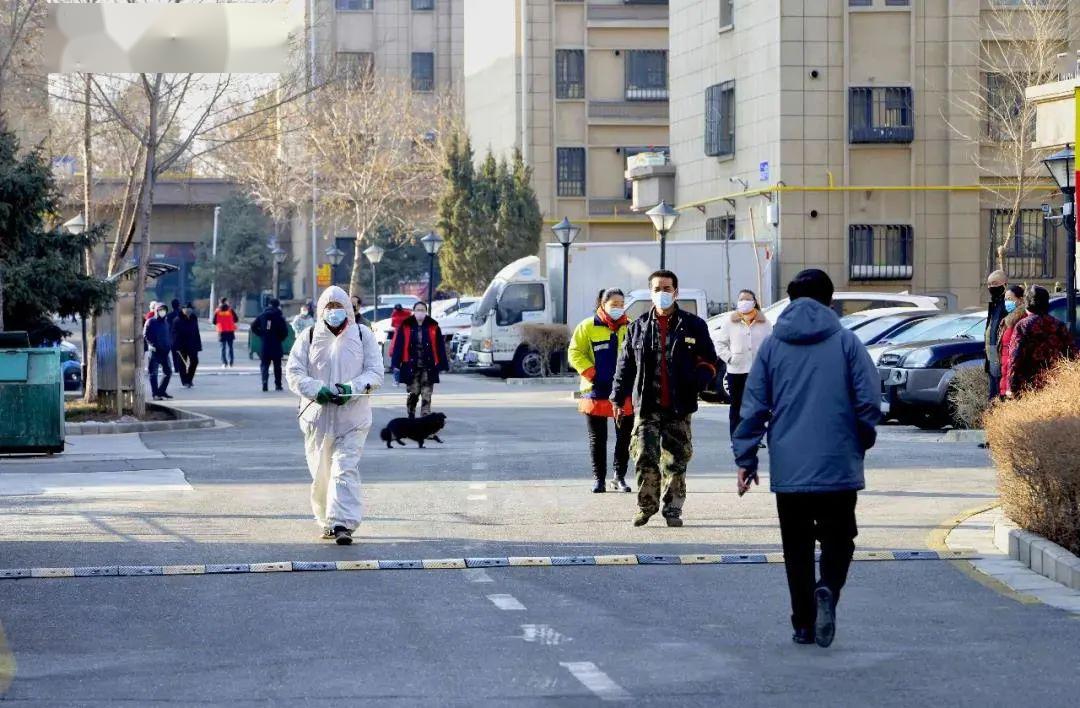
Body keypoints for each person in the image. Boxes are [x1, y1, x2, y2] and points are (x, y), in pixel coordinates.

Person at [732, 269, 881, 648]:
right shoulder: (848, 343)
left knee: (795, 547)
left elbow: (754, 407)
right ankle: (828, 586)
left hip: (790, 464)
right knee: (840, 539)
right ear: (829, 301)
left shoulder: (772, 346)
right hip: (838, 463)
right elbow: (868, 400)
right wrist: (860, 440)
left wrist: (746, 459)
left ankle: (803, 624)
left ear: (791, 299)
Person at [611, 270, 718, 527]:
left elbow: (709, 360)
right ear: (651, 292)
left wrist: (698, 382)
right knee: (644, 455)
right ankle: (646, 506)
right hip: (647, 405)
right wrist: (618, 398)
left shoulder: (693, 325)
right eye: (657, 288)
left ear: (676, 292)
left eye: (667, 289)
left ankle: (673, 509)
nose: (662, 293)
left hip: (679, 405)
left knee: (676, 458)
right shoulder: (637, 328)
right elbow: (625, 366)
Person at [286, 285, 383, 545]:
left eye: (338, 307)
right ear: (321, 310)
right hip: (316, 419)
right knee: (321, 473)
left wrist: (352, 388)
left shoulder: (363, 336)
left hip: (353, 418)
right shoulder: (307, 336)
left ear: (348, 309)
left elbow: (375, 372)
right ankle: (327, 520)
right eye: (329, 308)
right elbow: (294, 373)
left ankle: (343, 524)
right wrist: (316, 390)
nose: (334, 312)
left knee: (344, 468)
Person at [568, 288, 634, 494]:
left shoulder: (630, 327)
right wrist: (592, 374)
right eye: (614, 304)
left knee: (624, 437)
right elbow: (575, 352)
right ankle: (599, 479)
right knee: (598, 439)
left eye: (621, 304)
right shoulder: (587, 326)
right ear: (602, 304)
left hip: (623, 393)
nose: (618, 308)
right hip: (595, 392)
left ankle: (619, 477)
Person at [714, 289, 773, 438]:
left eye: (747, 299)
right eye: (741, 299)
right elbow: (720, 343)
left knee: (756, 407)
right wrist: (730, 358)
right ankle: (736, 435)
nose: (744, 302)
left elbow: (771, 345)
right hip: (736, 371)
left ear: (754, 302)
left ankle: (754, 436)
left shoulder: (765, 322)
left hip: (757, 372)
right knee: (736, 406)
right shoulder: (730, 321)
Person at [1006, 285, 1074, 397]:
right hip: (1056, 384)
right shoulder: (1058, 325)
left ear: (1027, 303)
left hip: (1029, 387)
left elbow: (1015, 356)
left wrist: (1011, 386)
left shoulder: (1023, 325)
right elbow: (1072, 352)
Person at [390, 301, 449, 418]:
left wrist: (443, 364)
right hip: (411, 365)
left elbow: (440, 346)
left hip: (428, 366)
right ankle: (411, 414)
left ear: (426, 312)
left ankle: (425, 417)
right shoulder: (406, 325)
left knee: (427, 393)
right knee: (414, 393)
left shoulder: (433, 326)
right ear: (414, 311)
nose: (420, 312)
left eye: (422, 310)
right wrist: (395, 364)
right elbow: (399, 346)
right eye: (418, 309)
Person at [252, 298, 290, 392]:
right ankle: (278, 385)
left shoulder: (262, 315)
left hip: (265, 344)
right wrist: (280, 338)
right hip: (276, 344)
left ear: (269, 305)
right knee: (277, 366)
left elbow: (253, 326)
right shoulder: (279, 317)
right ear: (278, 305)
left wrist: (261, 334)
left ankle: (264, 382)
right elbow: (285, 331)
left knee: (264, 365)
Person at [997, 285, 1026, 399]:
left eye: (1010, 299)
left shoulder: (1021, 319)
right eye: (1005, 299)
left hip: (1012, 368)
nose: (1006, 302)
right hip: (1005, 366)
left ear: (1020, 299)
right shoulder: (1009, 319)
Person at [984, 270, 1009, 401]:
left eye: (994, 283)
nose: (991, 287)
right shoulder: (994, 305)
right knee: (993, 395)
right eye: (988, 284)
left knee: (999, 395)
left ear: (1005, 285)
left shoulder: (1007, 305)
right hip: (992, 355)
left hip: (1001, 355)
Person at [144, 302, 175, 401]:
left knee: (168, 372)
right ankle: (155, 394)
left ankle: (161, 391)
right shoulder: (150, 322)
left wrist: (170, 344)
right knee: (153, 373)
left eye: (164, 310)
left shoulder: (166, 322)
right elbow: (145, 335)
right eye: (160, 310)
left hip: (165, 352)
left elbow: (168, 335)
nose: (163, 312)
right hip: (155, 351)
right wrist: (151, 344)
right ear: (156, 310)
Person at [170, 302, 202, 388]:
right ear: (182, 309)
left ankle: (189, 378)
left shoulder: (194, 318)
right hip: (181, 345)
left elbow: (196, 332)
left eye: (190, 309)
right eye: (186, 309)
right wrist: (175, 345)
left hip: (192, 344)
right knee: (182, 364)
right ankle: (184, 381)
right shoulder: (177, 320)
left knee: (195, 361)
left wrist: (198, 345)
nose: (188, 310)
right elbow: (174, 334)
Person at [212, 298, 238, 368]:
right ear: (226, 302)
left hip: (221, 331)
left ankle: (224, 363)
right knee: (230, 347)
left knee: (223, 348)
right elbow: (236, 319)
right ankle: (231, 363)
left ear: (220, 302)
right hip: (230, 331)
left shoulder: (217, 311)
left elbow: (214, 322)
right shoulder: (230, 310)